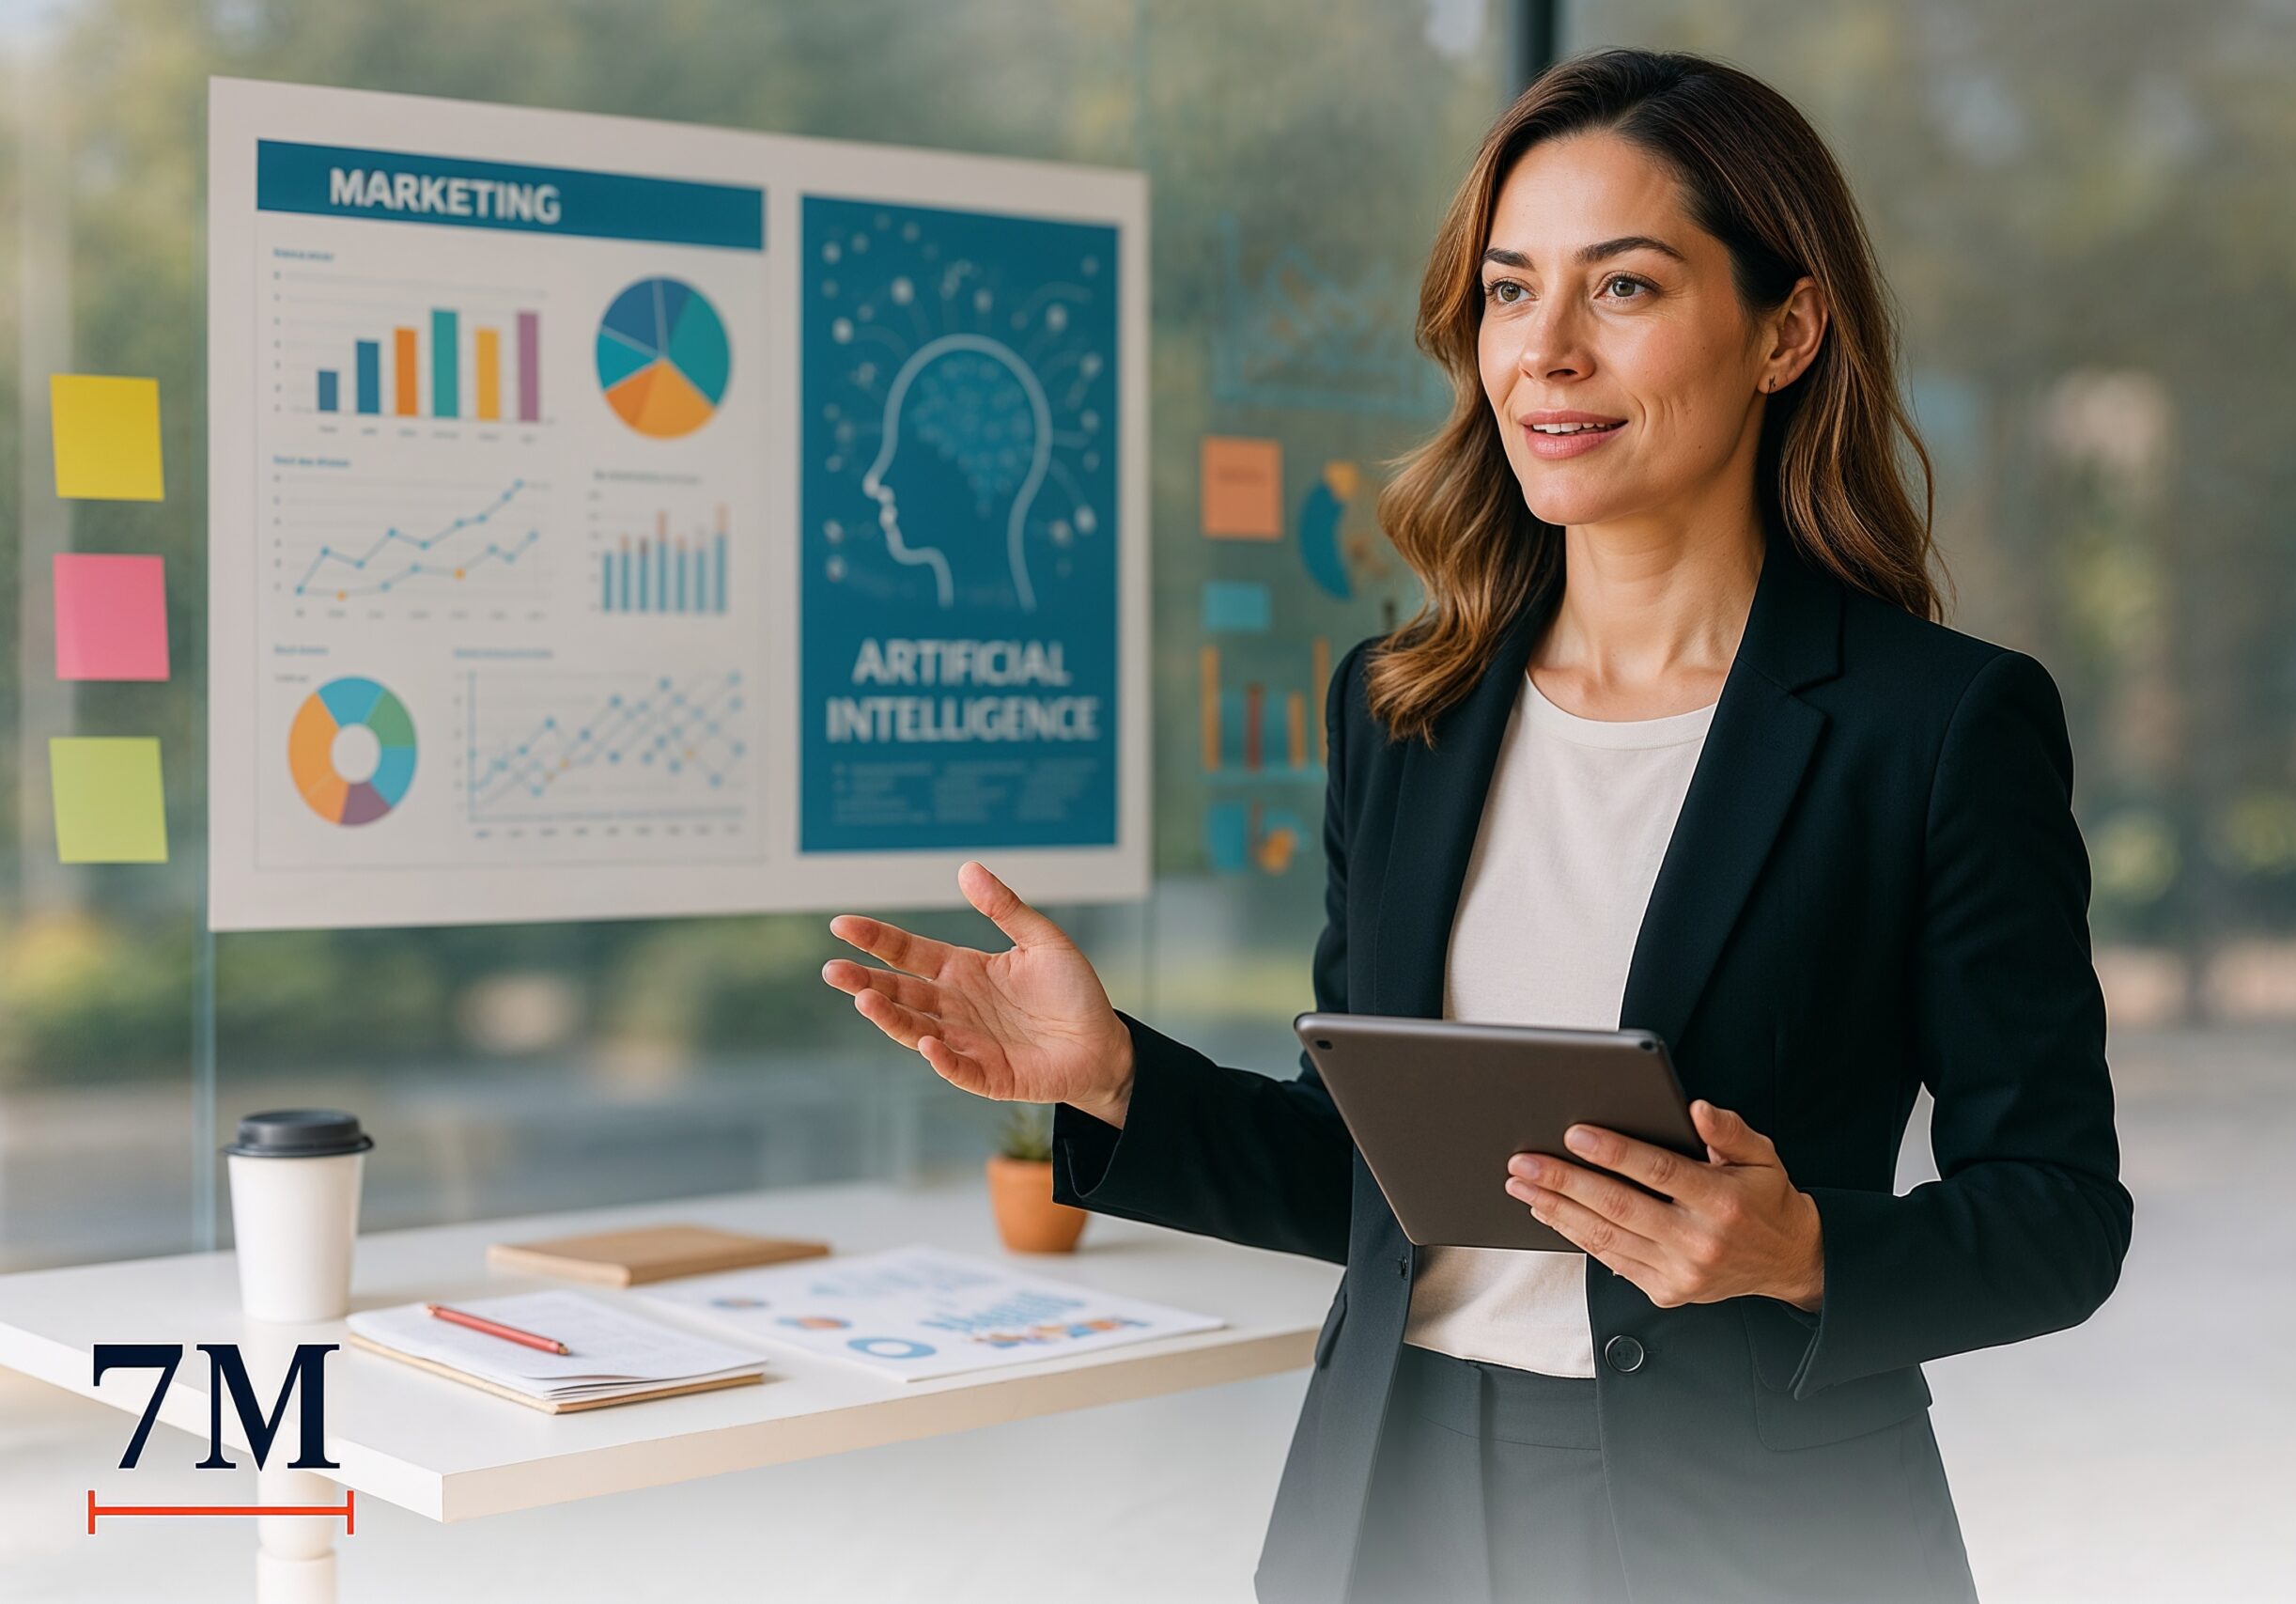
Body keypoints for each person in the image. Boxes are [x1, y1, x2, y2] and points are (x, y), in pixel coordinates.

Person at [821, 46, 2132, 1604]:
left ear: (1787, 329)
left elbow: (2057, 1216)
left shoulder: (1937, 728)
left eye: (1624, 290)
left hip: (1755, 1526)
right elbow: (1374, 1186)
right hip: (1397, 1500)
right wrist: (1108, 1078)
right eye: (1512, 293)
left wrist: (1799, 1254)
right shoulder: (1402, 708)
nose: (1548, 353)